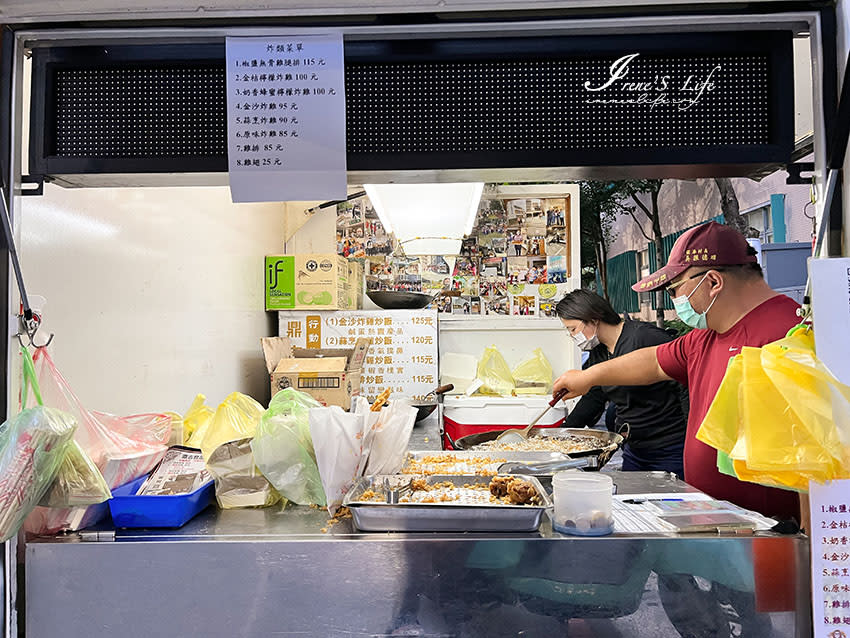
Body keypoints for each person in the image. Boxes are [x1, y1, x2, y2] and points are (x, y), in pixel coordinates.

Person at [553, 221, 800, 522]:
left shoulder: (787, 332)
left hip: (770, 525)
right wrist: (587, 378)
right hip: (719, 518)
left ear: (712, 281)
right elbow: (654, 362)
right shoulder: (705, 335)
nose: (675, 301)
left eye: (674, 290)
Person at [557, 289, 687, 478]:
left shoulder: (645, 337)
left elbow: (684, 383)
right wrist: (561, 435)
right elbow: (594, 397)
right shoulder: (599, 353)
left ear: (593, 319)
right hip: (635, 450)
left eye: (573, 329)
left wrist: (694, 437)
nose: (572, 336)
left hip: (671, 447)